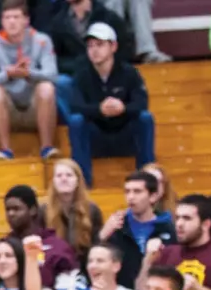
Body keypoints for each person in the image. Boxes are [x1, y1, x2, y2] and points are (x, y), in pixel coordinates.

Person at [64, 25, 154, 186]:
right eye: (90, 46)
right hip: (96, 137)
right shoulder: (82, 75)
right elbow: (74, 106)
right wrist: (99, 109)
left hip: (125, 135)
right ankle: (83, 183)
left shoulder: (129, 72)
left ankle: (147, 179)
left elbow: (142, 102)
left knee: (145, 118)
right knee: (76, 121)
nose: (94, 50)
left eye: (99, 45)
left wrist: (123, 108)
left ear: (113, 46)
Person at [0, 0, 60, 159]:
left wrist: (28, 73)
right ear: (1, 21)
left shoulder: (42, 40)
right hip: (8, 107)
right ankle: (5, 150)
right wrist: (8, 74)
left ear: (26, 20)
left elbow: (53, 75)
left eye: (16, 17)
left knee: (47, 87)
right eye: (7, 18)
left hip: (35, 105)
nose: (11, 22)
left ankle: (47, 147)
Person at [98, 171, 172, 287]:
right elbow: (94, 262)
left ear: (153, 196)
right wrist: (102, 236)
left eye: (137, 191)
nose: (131, 197)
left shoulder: (168, 228)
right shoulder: (116, 227)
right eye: (127, 192)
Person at [43, 159, 107, 264]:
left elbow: (96, 246)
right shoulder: (43, 210)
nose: (64, 179)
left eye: (69, 175)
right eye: (59, 176)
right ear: (53, 181)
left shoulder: (92, 210)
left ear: (78, 181)